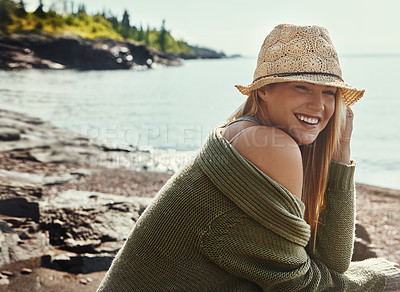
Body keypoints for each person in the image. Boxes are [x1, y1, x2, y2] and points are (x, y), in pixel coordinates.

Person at [97, 24, 400, 291]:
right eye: (301, 86)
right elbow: (299, 287)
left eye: (329, 93)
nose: (318, 105)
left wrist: (341, 150)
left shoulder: (248, 133)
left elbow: (332, 262)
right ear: (264, 91)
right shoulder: (270, 145)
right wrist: (376, 278)